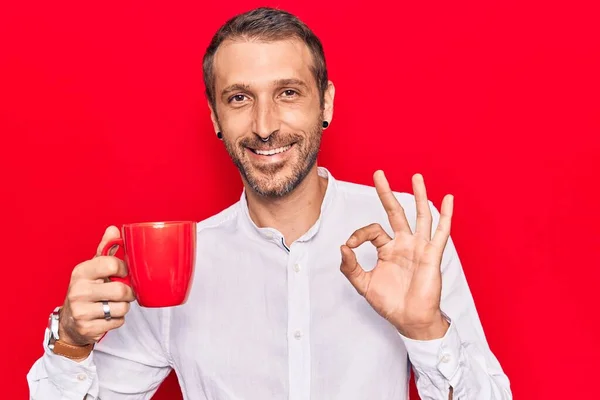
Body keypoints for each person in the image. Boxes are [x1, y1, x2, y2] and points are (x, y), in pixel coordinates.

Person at [27, 6, 511, 399]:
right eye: (239, 98)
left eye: (288, 93)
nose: (264, 125)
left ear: (326, 103)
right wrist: (70, 344)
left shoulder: (406, 238)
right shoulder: (175, 264)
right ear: (215, 115)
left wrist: (427, 331)